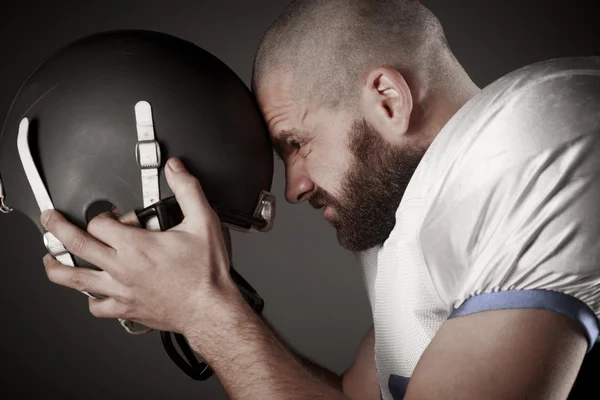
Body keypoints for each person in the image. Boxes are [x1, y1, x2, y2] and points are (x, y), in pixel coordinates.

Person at [39, 1, 600, 399]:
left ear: (386, 98)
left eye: (297, 144)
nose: (294, 187)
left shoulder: (536, 142)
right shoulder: (418, 212)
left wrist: (206, 312)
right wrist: (202, 300)